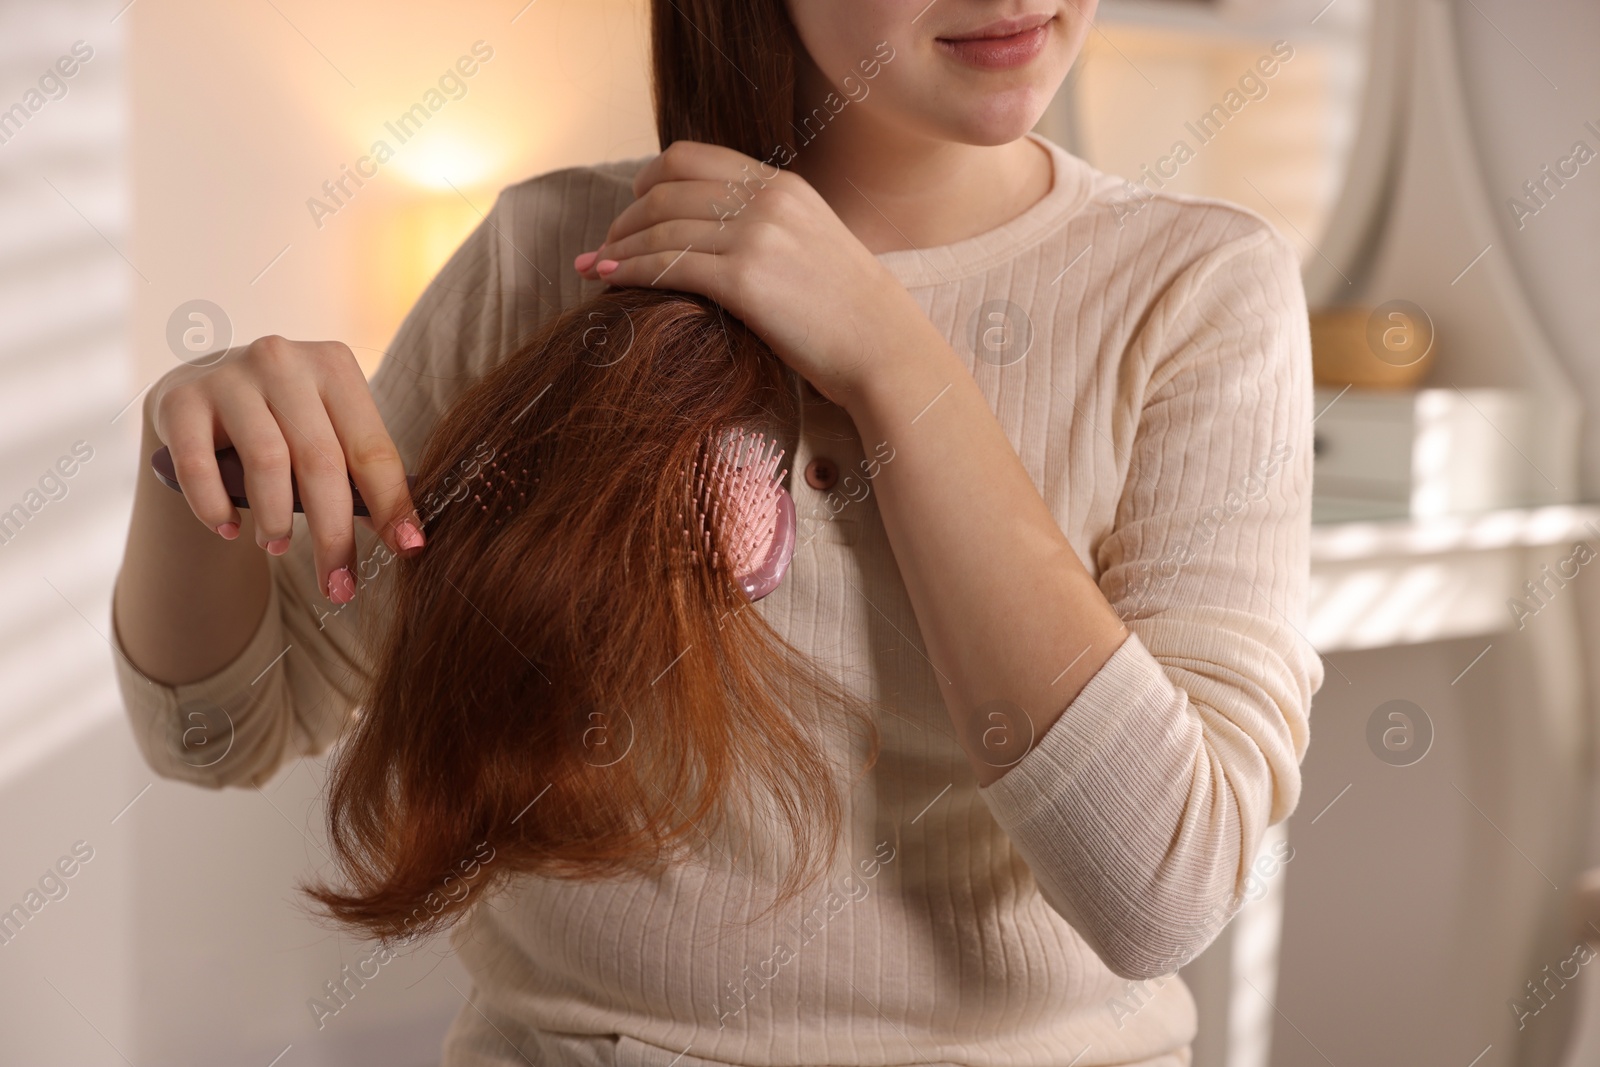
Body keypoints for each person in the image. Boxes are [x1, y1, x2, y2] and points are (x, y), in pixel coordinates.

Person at [110, 1, 1324, 1063]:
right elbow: (224, 730)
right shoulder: (549, 256)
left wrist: (890, 354)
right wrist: (188, 468)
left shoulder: (1196, 287)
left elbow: (1160, 885)